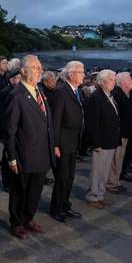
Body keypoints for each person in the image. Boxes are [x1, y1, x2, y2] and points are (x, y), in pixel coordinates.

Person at [2, 55, 55, 240]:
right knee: (19, 191)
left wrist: (52, 146)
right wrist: (12, 157)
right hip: (24, 154)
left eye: (40, 66)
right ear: (24, 72)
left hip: (41, 152)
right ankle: (16, 222)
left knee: (35, 190)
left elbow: (47, 122)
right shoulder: (16, 95)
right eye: (35, 67)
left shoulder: (39, 91)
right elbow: (10, 130)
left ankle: (28, 218)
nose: (40, 70)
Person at [49, 61, 85, 222]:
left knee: (69, 177)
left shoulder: (77, 90)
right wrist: (55, 144)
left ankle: (65, 205)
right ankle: (56, 208)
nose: (84, 74)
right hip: (63, 142)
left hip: (73, 140)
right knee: (62, 177)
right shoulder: (61, 91)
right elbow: (55, 120)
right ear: (71, 74)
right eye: (81, 72)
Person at [84, 69, 120, 209]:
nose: (114, 82)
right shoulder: (96, 96)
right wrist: (95, 142)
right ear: (103, 81)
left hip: (109, 140)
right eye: (111, 79)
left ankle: (100, 194)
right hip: (101, 141)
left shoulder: (108, 95)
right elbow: (92, 122)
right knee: (98, 170)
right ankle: (93, 196)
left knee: (104, 170)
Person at [107, 72, 132, 193]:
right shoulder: (117, 94)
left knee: (119, 159)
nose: (131, 81)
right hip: (119, 133)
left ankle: (115, 181)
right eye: (129, 79)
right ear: (122, 82)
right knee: (115, 159)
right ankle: (111, 183)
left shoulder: (125, 94)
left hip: (125, 133)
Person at [0, 67, 22, 193]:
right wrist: (2, 131)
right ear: (11, 80)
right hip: (7, 129)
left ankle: (14, 179)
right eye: (17, 78)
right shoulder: (5, 92)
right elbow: (1, 114)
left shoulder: (18, 91)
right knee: (8, 156)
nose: (19, 80)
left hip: (16, 130)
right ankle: (6, 182)